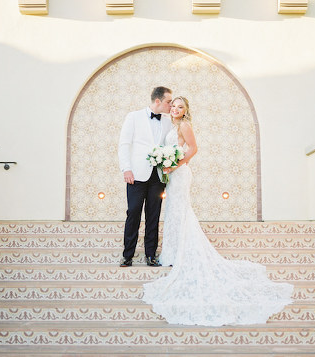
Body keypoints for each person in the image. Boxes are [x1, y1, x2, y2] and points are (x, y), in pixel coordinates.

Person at [142, 96, 294, 326]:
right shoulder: (173, 126)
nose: (175, 109)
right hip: (172, 176)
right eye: (173, 105)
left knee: (180, 210)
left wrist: (174, 165)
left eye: (180, 107)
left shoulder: (184, 125)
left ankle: (181, 252)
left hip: (180, 174)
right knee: (173, 211)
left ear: (185, 111)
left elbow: (193, 149)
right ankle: (172, 253)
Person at [118, 86, 173, 267]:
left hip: (157, 175)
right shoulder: (134, 117)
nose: (170, 105)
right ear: (157, 101)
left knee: (153, 215)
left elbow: (170, 146)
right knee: (133, 212)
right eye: (168, 101)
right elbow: (124, 144)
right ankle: (128, 255)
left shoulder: (168, 122)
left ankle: (151, 255)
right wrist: (126, 169)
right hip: (136, 174)